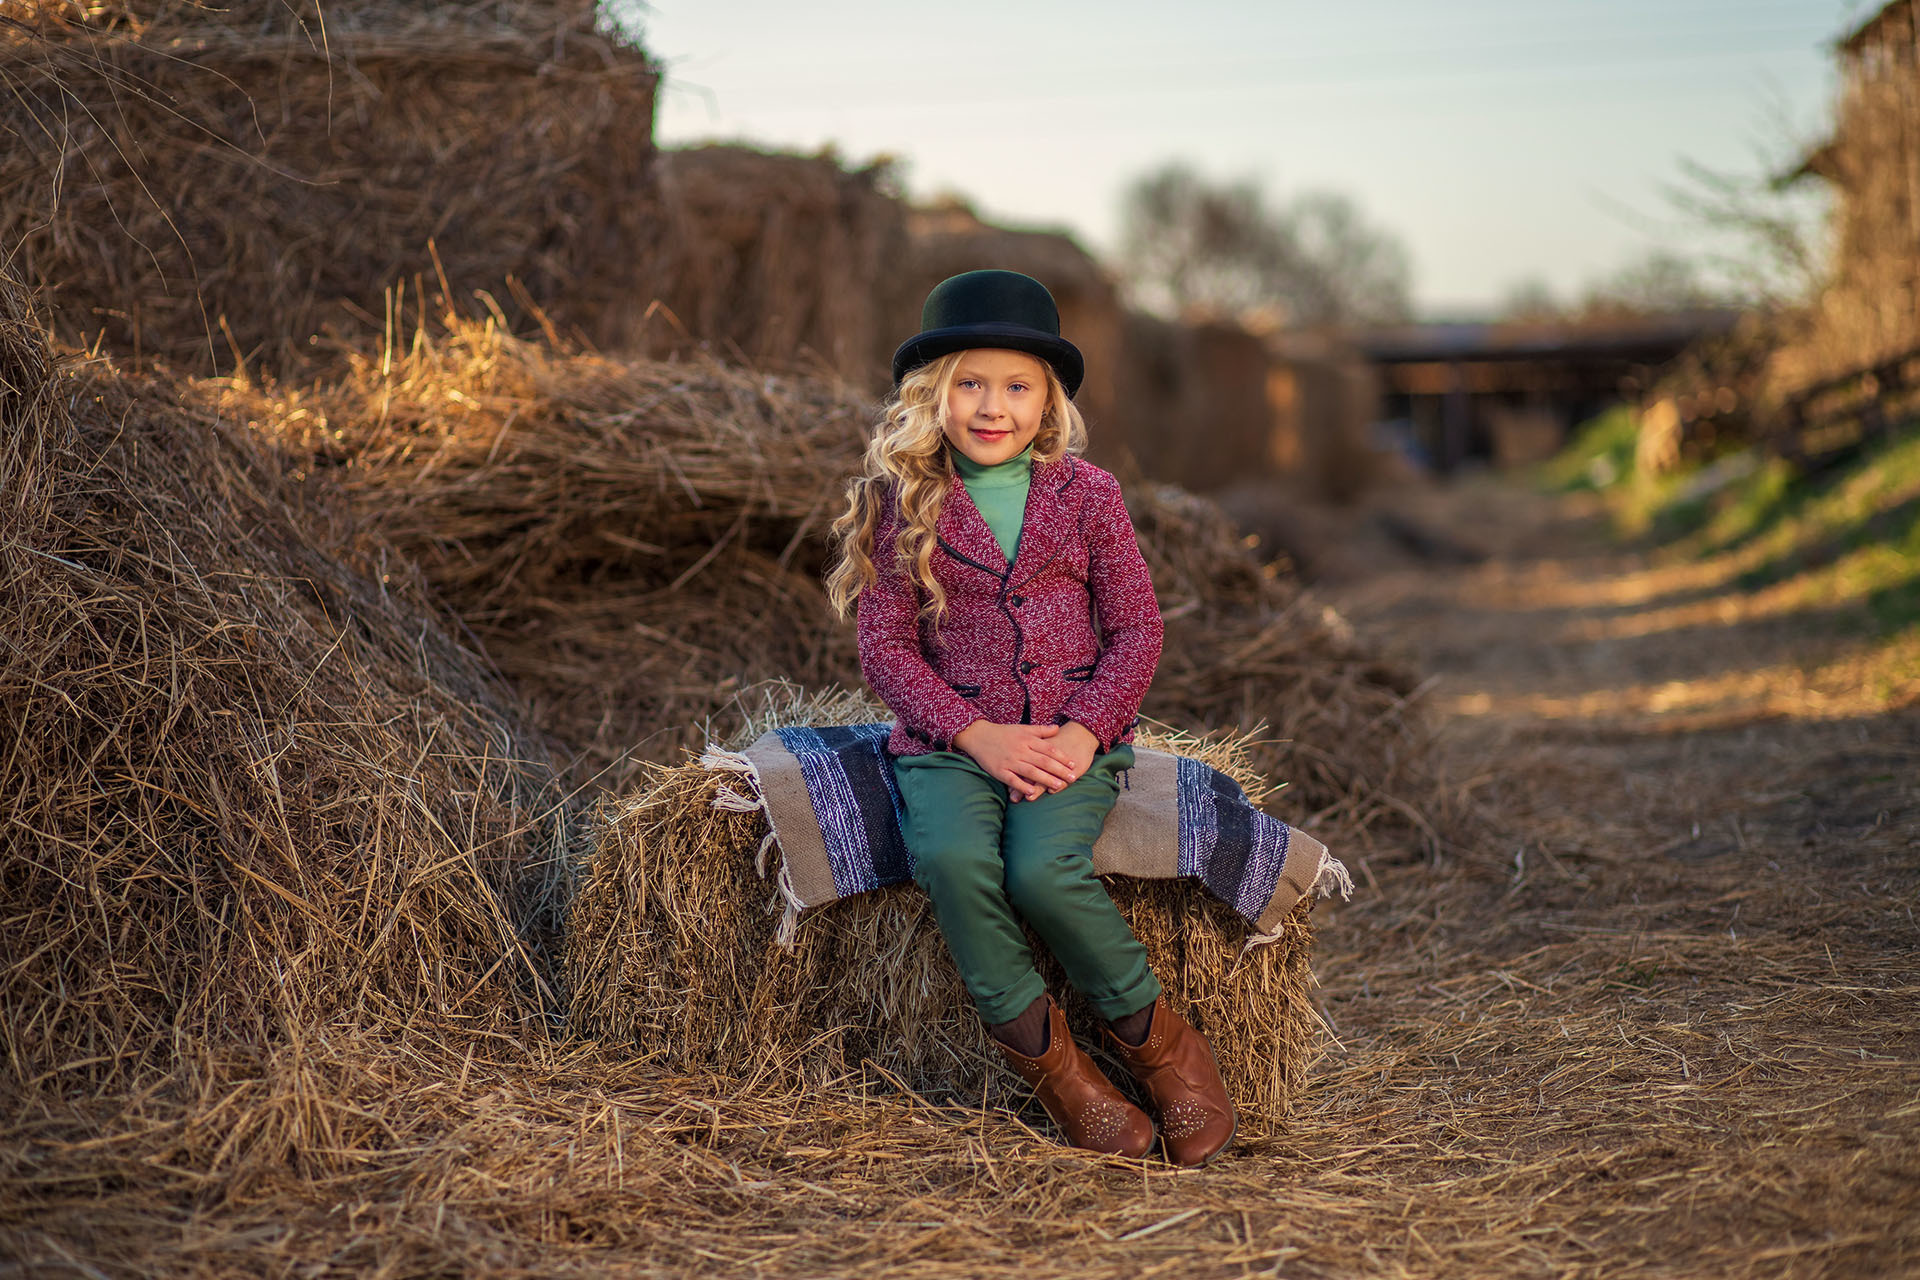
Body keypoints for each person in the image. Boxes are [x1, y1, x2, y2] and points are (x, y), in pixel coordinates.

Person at [825, 269, 1235, 1165]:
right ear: (933, 395)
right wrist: (975, 735)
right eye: (970, 383)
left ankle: (1162, 1049)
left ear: (1048, 400)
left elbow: (1138, 629)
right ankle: (1060, 1074)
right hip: (950, 743)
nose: (992, 407)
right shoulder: (902, 501)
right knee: (953, 858)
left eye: (1017, 387)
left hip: (1066, 737)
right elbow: (886, 650)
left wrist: (1086, 731)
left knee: (1043, 871)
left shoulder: (1089, 495)